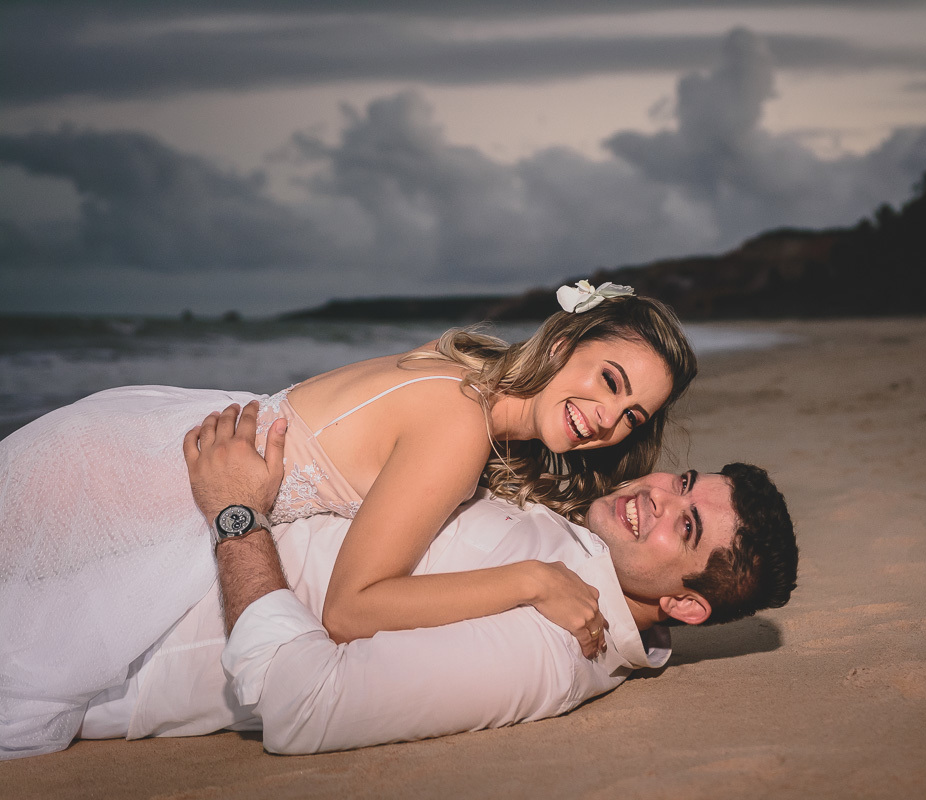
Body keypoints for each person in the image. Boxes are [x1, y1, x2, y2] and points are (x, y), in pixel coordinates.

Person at [0, 285, 697, 759]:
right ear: (563, 343)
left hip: (140, 448)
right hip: (139, 488)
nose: (608, 419)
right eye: (610, 381)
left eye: (631, 415)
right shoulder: (460, 425)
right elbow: (352, 607)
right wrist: (531, 580)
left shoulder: (470, 379)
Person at [71, 400, 798, 755]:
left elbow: (303, 702)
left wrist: (236, 516)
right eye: (685, 481)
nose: (661, 495)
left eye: (686, 527)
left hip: (128, 639)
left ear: (684, 605)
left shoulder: (551, 652)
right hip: (139, 556)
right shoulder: (577, 557)